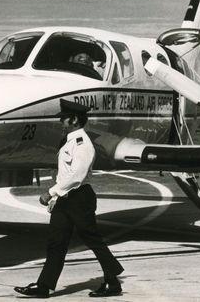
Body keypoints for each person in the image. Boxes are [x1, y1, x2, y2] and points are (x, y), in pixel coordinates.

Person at [14, 99, 124, 298]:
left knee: (92, 239)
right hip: (67, 198)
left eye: (64, 119)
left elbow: (76, 176)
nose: (61, 122)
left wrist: (51, 193)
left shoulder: (82, 143)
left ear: (74, 120)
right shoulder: (69, 141)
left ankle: (113, 280)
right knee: (56, 242)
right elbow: (65, 175)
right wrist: (58, 198)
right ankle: (44, 286)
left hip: (79, 197)